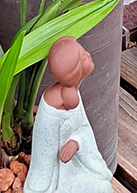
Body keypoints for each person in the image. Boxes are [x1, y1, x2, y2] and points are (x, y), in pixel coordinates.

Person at [24, 37, 113, 193]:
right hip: (57, 176)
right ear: (75, 72)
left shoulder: (72, 95)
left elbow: (83, 127)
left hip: (76, 164)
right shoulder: (57, 106)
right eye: (82, 57)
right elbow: (45, 152)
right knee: (103, 188)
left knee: (104, 185)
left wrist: (75, 142)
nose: (88, 54)